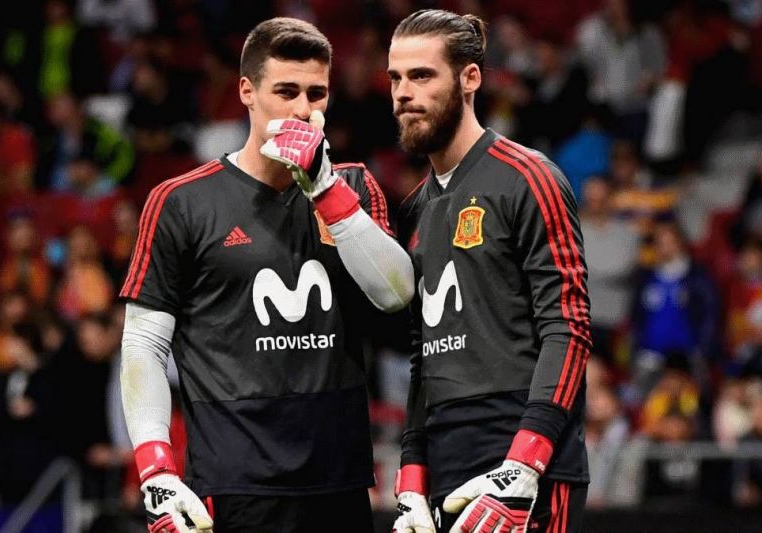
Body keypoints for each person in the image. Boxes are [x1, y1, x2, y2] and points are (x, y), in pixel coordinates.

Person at [119, 17, 414, 533]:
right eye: (286, 91)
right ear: (247, 92)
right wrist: (157, 470)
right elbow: (144, 343)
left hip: (339, 480)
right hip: (234, 485)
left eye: (316, 94)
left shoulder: (352, 188)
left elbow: (396, 294)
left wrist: (325, 190)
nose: (303, 109)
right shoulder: (182, 202)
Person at [387, 10, 591, 533]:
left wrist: (525, 463)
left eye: (422, 75)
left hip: (526, 462)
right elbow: (423, 353)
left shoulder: (529, 177)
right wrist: (412, 477)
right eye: (396, 78)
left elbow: (568, 327)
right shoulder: (415, 209)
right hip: (445, 461)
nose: (403, 93)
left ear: (470, 78)